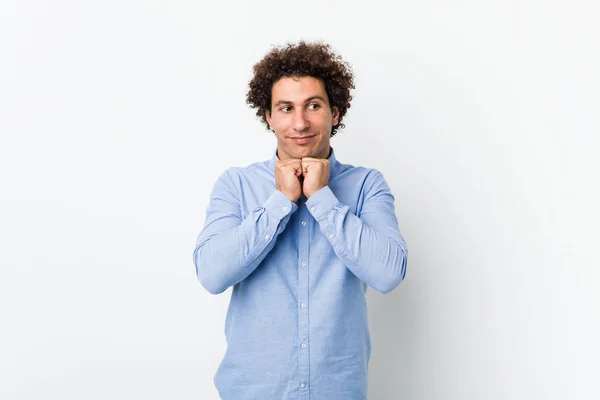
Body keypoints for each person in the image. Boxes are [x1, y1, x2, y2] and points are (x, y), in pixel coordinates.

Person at [193, 41, 408, 400]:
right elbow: (212, 274)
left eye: (313, 105)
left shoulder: (367, 185)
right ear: (268, 117)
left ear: (335, 113)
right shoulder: (236, 184)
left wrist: (322, 197)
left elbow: (388, 273)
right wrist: (281, 201)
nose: (299, 122)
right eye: (286, 108)